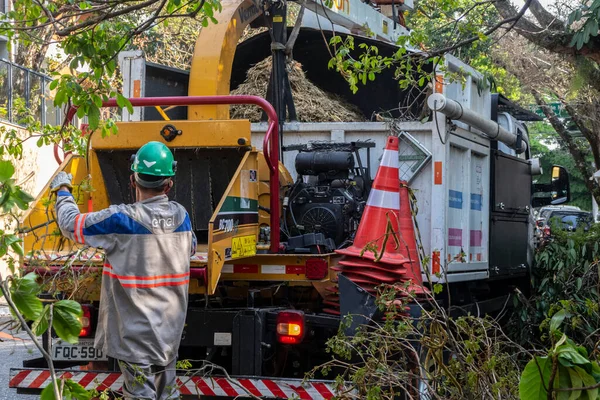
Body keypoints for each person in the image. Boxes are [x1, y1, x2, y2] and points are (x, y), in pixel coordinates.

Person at [51, 141, 196, 400]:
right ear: (169, 183)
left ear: (133, 180)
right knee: (168, 395)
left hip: (136, 338)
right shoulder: (182, 217)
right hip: (169, 335)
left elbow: (71, 224)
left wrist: (63, 190)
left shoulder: (121, 220)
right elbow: (191, 247)